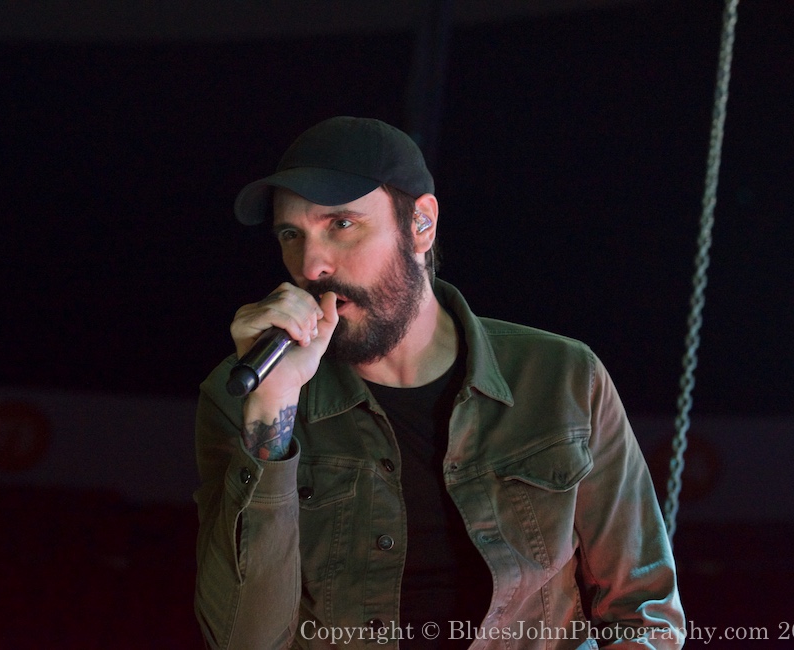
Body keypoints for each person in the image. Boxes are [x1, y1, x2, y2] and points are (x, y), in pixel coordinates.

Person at [194, 116, 685, 649]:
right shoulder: (243, 396)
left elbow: (647, 614)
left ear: (421, 225)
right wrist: (272, 416)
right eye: (292, 234)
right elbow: (243, 640)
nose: (311, 265)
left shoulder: (563, 377)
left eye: (342, 225)